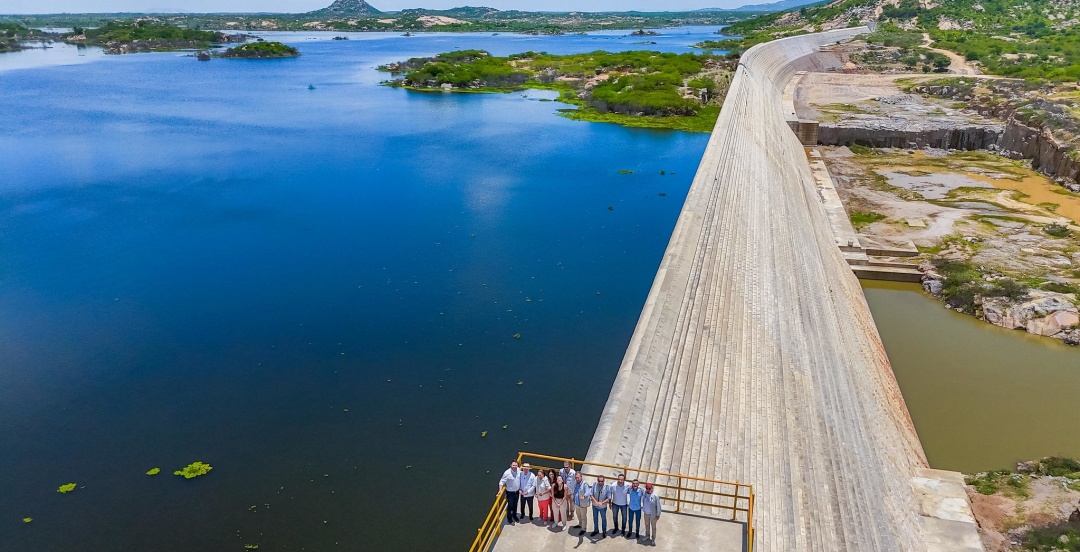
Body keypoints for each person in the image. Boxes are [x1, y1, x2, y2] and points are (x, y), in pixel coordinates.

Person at [498, 461, 521, 525]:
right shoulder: (507, 473)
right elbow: (501, 482)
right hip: (510, 493)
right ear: (510, 465)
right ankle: (509, 518)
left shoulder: (518, 470)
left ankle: (514, 515)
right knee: (510, 505)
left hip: (517, 492)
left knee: (515, 504)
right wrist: (500, 490)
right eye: (513, 465)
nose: (515, 467)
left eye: (516, 465)